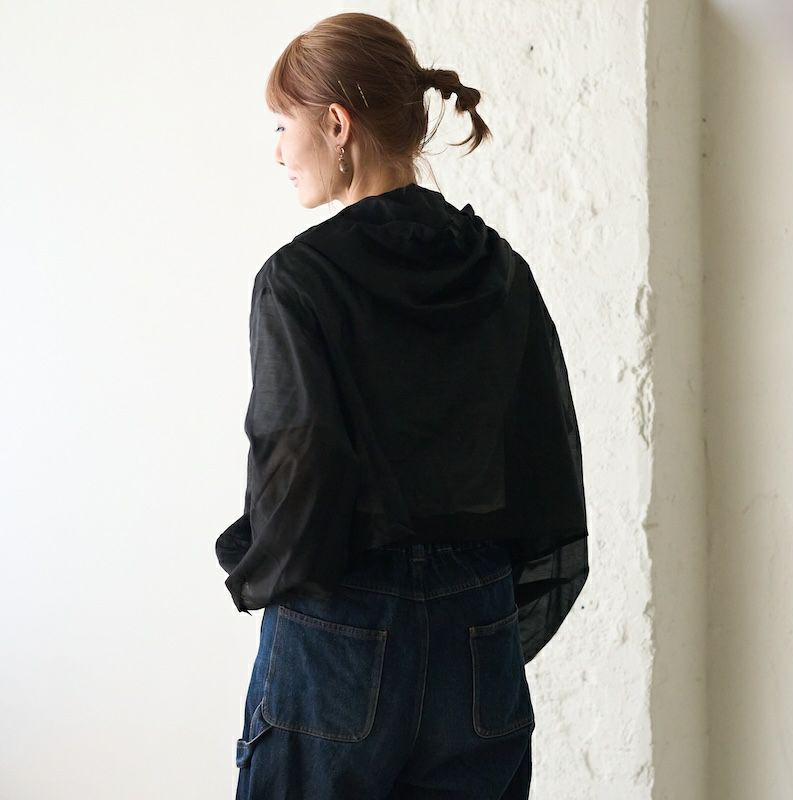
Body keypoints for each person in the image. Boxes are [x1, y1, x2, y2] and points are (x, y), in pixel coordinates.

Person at [215, 11, 590, 800]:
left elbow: (299, 469)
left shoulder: (298, 280)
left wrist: (248, 563)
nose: (278, 150)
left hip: (342, 627)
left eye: (283, 125)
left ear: (336, 124)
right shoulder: (500, 269)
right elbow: (540, 455)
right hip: (477, 630)